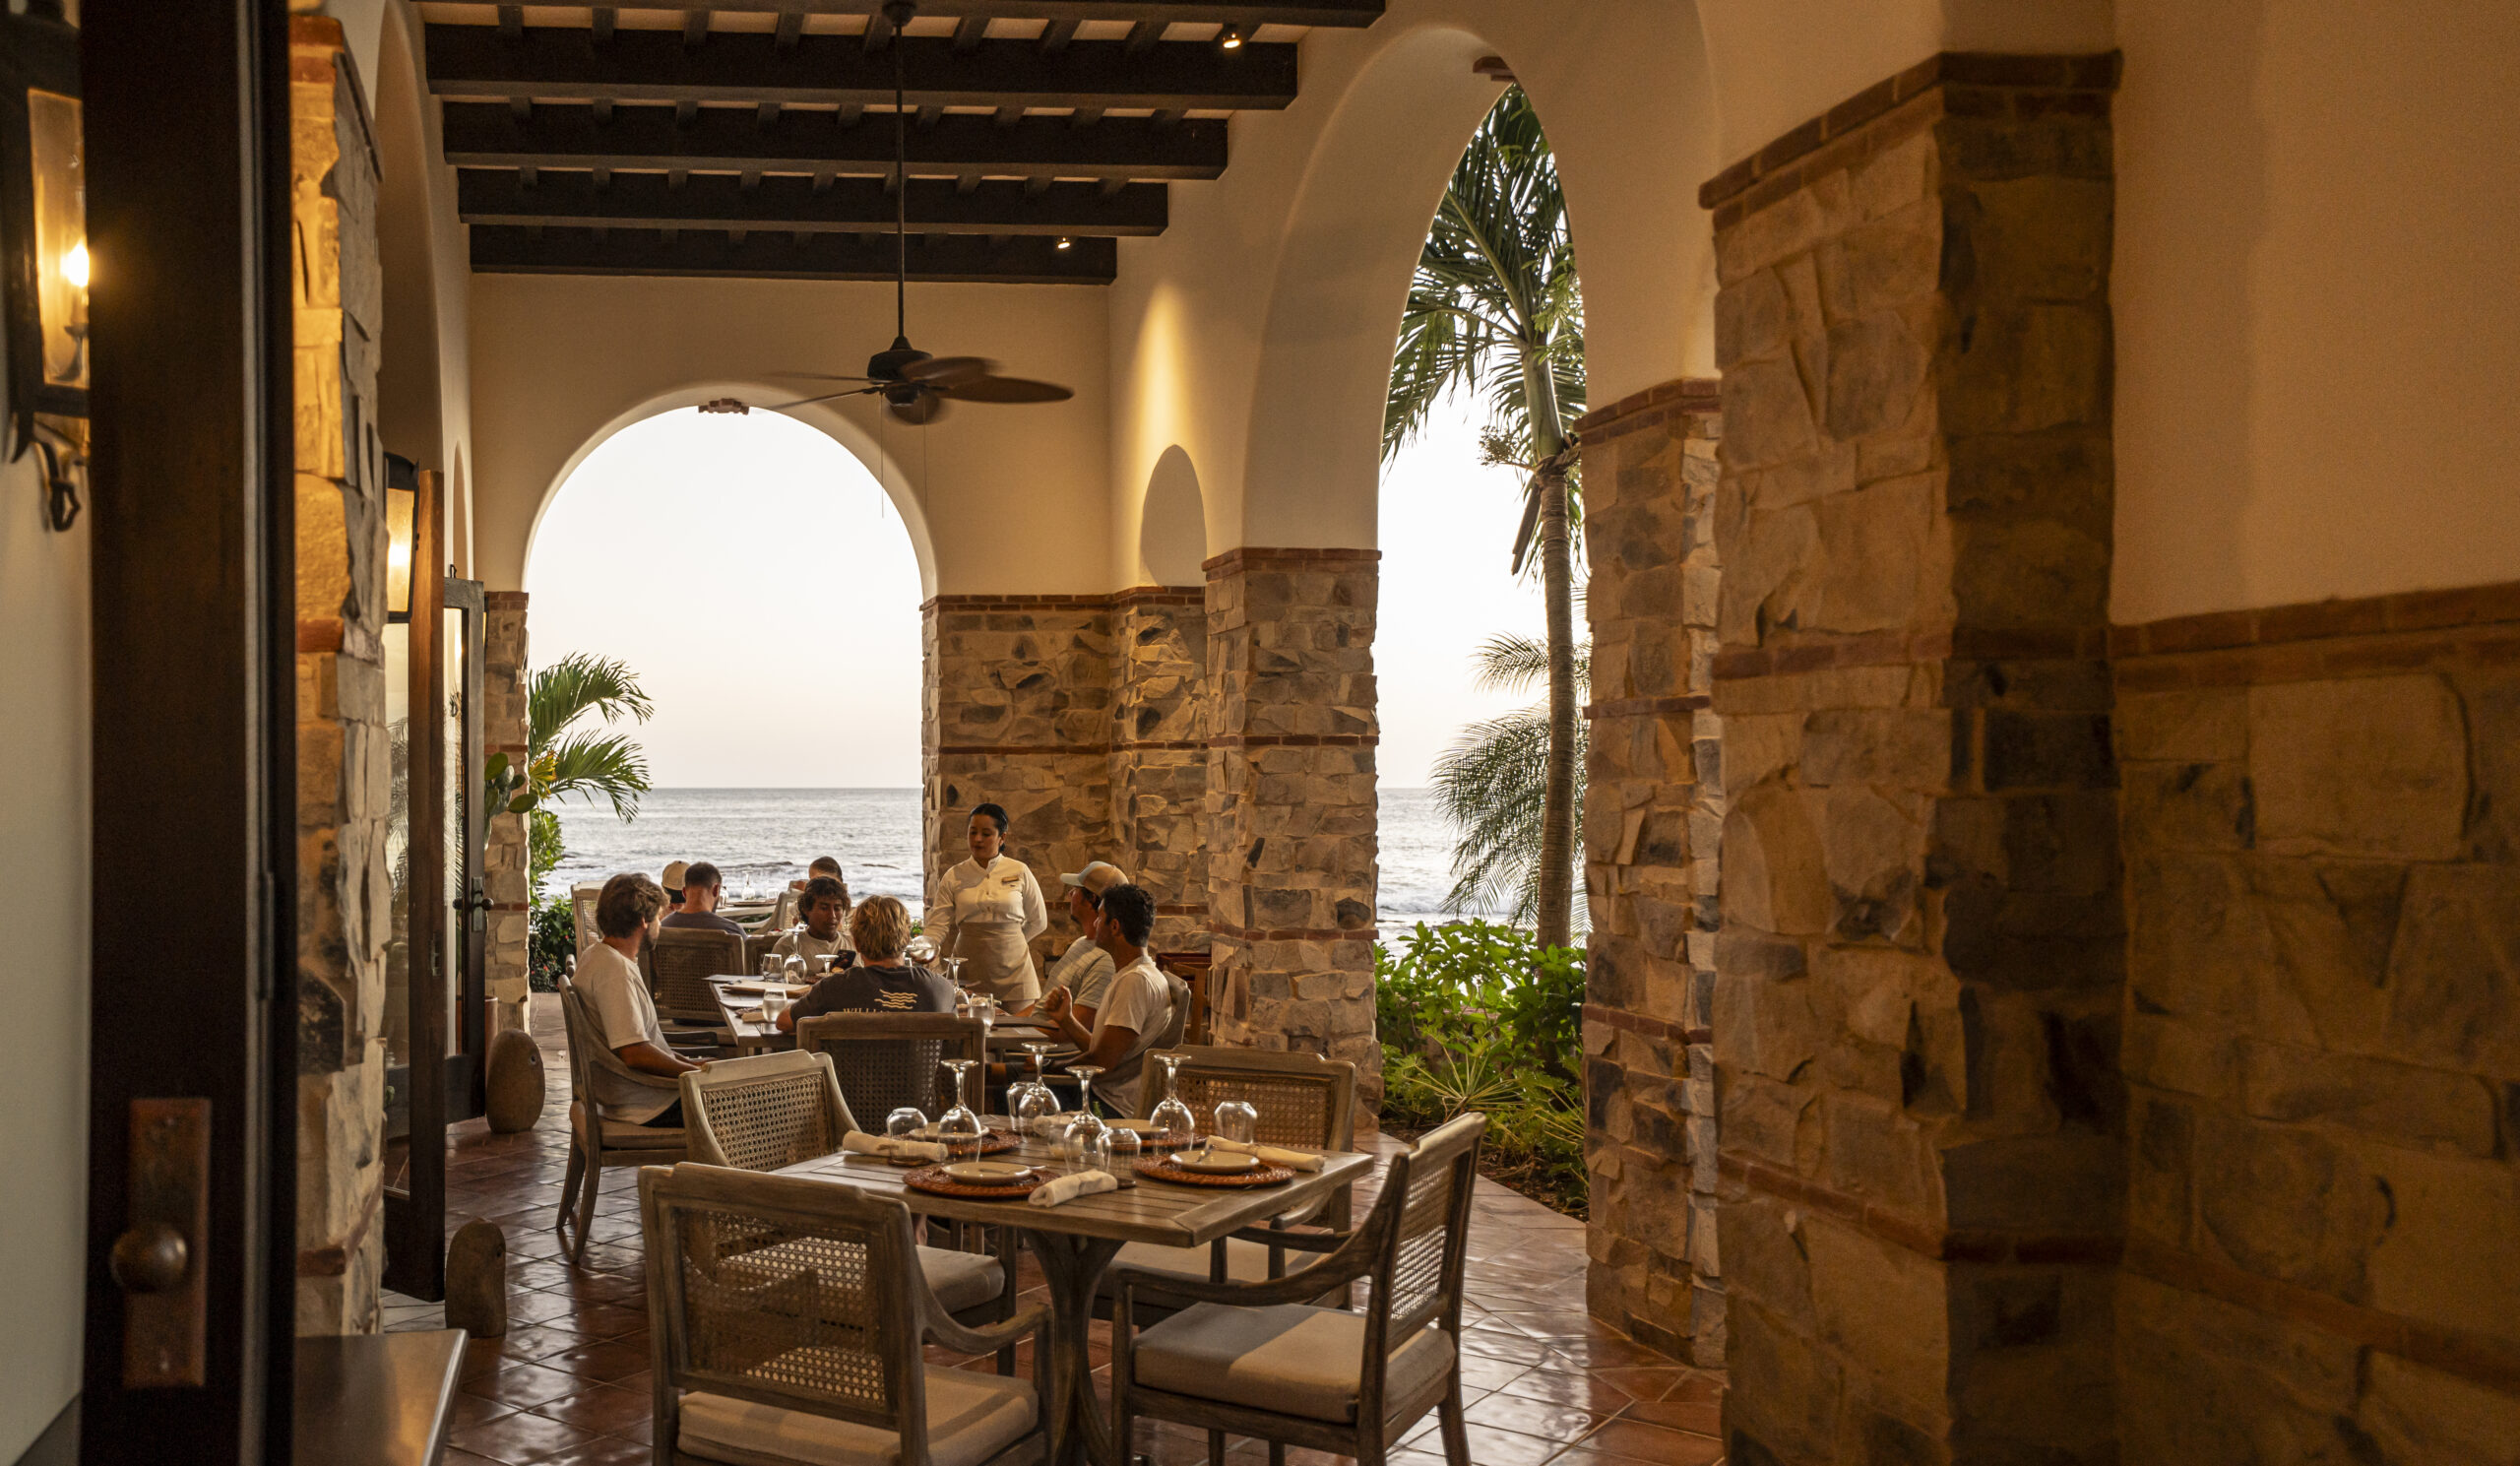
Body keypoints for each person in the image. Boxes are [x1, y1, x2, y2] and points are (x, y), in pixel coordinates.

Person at [573, 872, 705, 1125]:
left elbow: (644, 1045)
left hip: (640, 1096)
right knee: (759, 1103)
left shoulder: (596, 955)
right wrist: (696, 1074)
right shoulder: (614, 971)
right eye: (658, 917)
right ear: (644, 920)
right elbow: (635, 1053)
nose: (660, 925)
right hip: (649, 1106)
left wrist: (691, 1064)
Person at [1038, 882, 1170, 1115]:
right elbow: (1104, 1049)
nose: (1095, 924)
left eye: (1100, 918)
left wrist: (1046, 1067)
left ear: (1115, 927)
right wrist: (1067, 1019)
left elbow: (1101, 1061)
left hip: (1108, 1104)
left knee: (1007, 1087)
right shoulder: (1133, 974)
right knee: (1011, 1077)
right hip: (1098, 1092)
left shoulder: (1135, 982)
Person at [925, 802, 1047, 1011]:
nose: (977, 839)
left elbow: (1039, 921)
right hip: (968, 970)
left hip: (1016, 972)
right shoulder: (954, 875)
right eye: (972, 832)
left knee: (1018, 1029)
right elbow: (937, 926)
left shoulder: (1020, 870)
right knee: (967, 1028)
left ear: (1002, 837)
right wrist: (925, 951)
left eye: (986, 833)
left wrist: (1010, 941)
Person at [778, 895, 957, 1029]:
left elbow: (783, 1022)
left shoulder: (833, 989)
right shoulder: (939, 988)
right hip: (921, 1072)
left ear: (856, 943)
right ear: (907, 940)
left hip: (843, 1071)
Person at [1042, 860, 1126, 1028]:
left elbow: (1073, 1030)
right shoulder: (1080, 943)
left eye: (1075, 890)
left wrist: (1017, 1032)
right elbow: (1040, 1006)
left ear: (1090, 899)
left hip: (1043, 1041)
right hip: (1031, 1032)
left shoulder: (1105, 959)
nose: (1069, 894)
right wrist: (1004, 1022)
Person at [770, 874, 853, 967]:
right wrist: (824, 975)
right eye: (824, 908)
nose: (832, 915)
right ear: (806, 909)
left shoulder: (853, 944)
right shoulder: (788, 946)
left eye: (837, 908)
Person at [661, 860, 746, 936]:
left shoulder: (662, 928)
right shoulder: (733, 931)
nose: (675, 906)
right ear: (716, 889)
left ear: (684, 892)